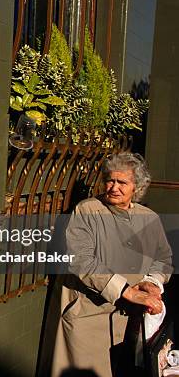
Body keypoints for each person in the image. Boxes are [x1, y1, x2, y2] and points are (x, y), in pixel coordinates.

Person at [41, 152, 173, 377]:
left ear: (136, 187)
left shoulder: (149, 217)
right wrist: (126, 291)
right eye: (110, 180)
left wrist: (153, 282)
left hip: (130, 320)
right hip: (88, 316)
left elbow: (163, 258)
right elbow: (81, 260)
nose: (114, 187)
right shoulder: (87, 210)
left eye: (122, 182)